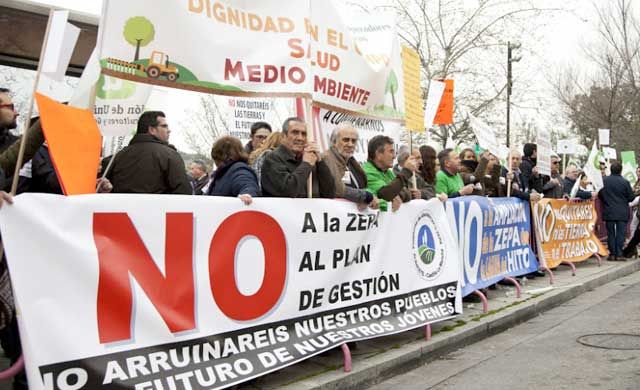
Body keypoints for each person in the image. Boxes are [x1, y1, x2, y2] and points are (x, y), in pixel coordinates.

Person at [107, 111, 192, 194]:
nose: (169, 130)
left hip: (121, 207)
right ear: (152, 130)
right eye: (164, 126)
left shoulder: (116, 158)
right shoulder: (170, 155)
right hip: (158, 207)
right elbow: (183, 192)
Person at [261, 117, 335, 198]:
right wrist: (306, 164)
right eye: (295, 132)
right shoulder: (273, 159)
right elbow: (288, 191)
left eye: (304, 134)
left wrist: (320, 161)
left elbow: (330, 192)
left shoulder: (311, 159)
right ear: (283, 136)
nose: (300, 138)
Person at [322, 123, 378, 209]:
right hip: (334, 216)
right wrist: (365, 196)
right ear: (334, 142)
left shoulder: (351, 161)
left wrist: (366, 198)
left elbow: (363, 186)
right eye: (346, 140)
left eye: (354, 141)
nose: (350, 144)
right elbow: (337, 189)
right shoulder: (326, 159)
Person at [363, 135, 417, 212]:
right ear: (379, 154)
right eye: (391, 152)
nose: (394, 156)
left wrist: (398, 195)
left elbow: (407, 193)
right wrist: (406, 171)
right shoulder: (367, 171)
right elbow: (386, 194)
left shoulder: (388, 172)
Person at [205, 136, 259, 204]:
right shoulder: (224, 172)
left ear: (219, 155)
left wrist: (247, 194)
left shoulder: (239, 169)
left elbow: (247, 184)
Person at [599, 162, 635, 261]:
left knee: (610, 233)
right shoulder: (625, 182)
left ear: (610, 169)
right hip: (622, 211)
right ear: (621, 170)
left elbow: (600, 194)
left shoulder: (604, 181)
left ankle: (612, 254)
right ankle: (619, 254)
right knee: (620, 233)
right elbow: (631, 198)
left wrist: (606, 201)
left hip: (609, 210)